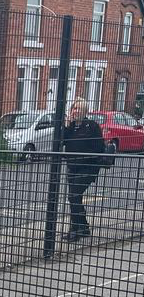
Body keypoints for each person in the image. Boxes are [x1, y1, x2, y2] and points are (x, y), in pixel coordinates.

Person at [63, 97, 104, 242]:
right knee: (75, 197)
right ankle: (84, 227)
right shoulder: (70, 127)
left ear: (85, 111)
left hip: (88, 167)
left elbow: (99, 148)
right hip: (72, 167)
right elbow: (62, 141)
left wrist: (85, 157)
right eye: (74, 108)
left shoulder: (92, 126)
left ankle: (75, 229)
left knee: (73, 196)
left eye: (79, 108)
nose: (76, 111)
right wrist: (66, 126)